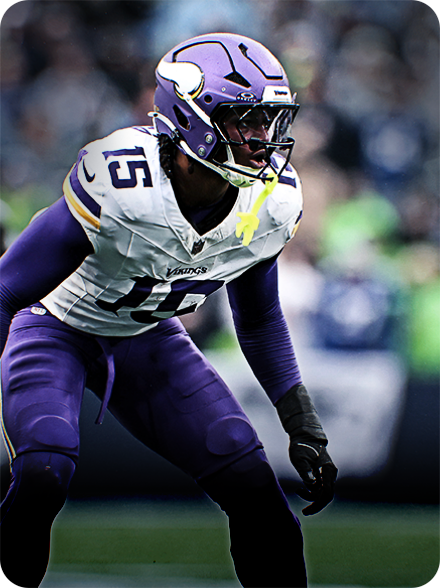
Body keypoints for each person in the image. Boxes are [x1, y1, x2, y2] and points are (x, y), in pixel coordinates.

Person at [0, 33, 337, 587]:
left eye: (269, 120)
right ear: (191, 118)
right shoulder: (122, 180)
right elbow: (7, 290)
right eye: (244, 120)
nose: (262, 138)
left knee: (255, 489)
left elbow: (258, 319)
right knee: (44, 467)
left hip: (148, 337)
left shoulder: (272, 201)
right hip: (54, 326)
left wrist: (302, 421)